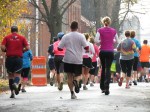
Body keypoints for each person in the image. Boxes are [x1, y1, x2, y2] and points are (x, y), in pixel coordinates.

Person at [58, 21, 88, 99]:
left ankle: (72, 93)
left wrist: (65, 48)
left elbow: (59, 48)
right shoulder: (81, 36)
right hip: (78, 59)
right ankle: (76, 80)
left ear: (70, 27)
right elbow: (86, 47)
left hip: (68, 59)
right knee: (79, 75)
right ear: (77, 27)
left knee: (69, 77)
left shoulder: (65, 36)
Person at [1, 26, 29, 98]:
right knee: (17, 75)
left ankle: (12, 93)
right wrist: (22, 50)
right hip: (18, 59)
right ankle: (16, 84)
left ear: (11, 31)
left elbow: (2, 47)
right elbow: (28, 48)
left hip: (9, 59)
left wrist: (5, 50)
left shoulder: (7, 37)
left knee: (10, 76)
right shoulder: (22, 38)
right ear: (17, 30)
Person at [95, 16, 119, 95]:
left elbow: (95, 40)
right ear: (110, 22)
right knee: (108, 68)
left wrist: (101, 40)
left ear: (103, 22)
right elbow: (117, 41)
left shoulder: (100, 30)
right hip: (110, 51)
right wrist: (113, 40)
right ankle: (107, 87)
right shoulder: (113, 31)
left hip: (102, 51)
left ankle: (102, 87)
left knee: (103, 68)